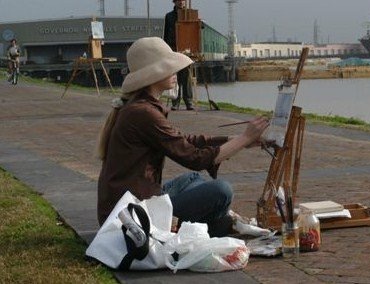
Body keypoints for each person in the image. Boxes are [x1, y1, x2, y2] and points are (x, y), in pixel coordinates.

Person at [96, 37, 269, 237]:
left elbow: (184, 141)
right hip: (130, 214)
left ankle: (217, 223)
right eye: (168, 68)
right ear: (153, 75)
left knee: (192, 179)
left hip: (135, 200)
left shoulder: (140, 106)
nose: (175, 73)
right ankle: (217, 224)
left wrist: (236, 139)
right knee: (222, 191)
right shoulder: (143, 113)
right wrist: (245, 138)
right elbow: (194, 158)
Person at [163, 0, 194, 111]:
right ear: (174, 2)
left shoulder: (190, 13)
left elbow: (195, 28)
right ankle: (175, 101)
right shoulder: (169, 16)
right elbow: (166, 34)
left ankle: (188, 102)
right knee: (174, 76)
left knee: (186, 77)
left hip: (186, 49)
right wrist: (166, 50)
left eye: (183, 0)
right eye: (179, 0)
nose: (181, 2)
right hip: (173, 48)